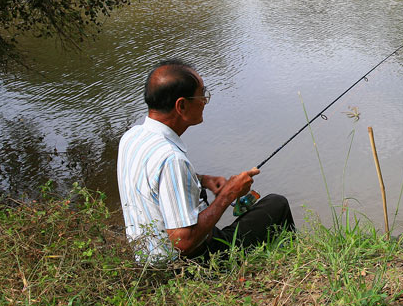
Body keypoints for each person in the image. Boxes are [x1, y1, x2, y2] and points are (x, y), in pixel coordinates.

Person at [117, 59, 294, 263]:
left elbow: (154, 181)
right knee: (276, 204)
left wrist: (202, 180)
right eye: (201, 95)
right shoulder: (171, 158)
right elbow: (183, 243)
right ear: (181, 105)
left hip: (145, 256)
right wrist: (228, 194)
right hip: (188, 264)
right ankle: (288, 263)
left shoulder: (132, 136)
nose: (204, 101)